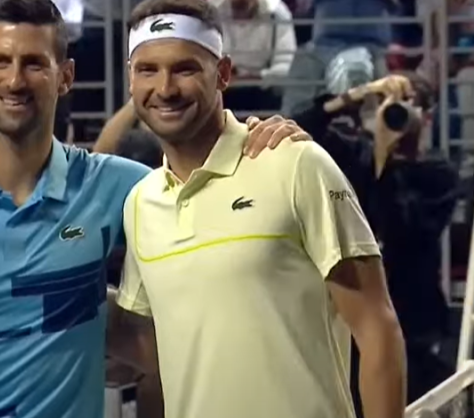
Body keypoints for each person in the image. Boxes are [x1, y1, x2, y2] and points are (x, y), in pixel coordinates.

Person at [0, 1, 308, 417]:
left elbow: (218, 201)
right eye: (0, 61)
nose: (15, 80)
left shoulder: (120, 189)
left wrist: (266, 142)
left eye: (34, 63)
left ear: (65, 76)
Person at [115, 2, 406, 418]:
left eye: (185, 69)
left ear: (223, 73)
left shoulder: (295, 164)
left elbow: (377, 328)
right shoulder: (140, 203)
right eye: (148, 70)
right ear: (130, 78)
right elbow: (154, 359)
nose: (165, 88)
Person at [282, 72, 460, 405]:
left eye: (408, 104)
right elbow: (296, 129)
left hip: (414, 324)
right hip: (349, 323)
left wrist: (385, 158)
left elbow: (402, 226)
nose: (394, 112)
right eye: (386, 104)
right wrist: (355, 95)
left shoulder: (438, 174)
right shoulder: (355, 156)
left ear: (427, 116)